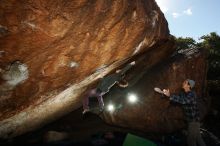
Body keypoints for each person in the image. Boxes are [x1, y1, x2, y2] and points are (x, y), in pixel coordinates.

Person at [162, 79, 206, 146]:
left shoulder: (192, 94)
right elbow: (176, 100)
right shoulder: (183, 94)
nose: (183, 83)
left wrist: (170, 96)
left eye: (185, 82)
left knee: (190, 141)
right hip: (192, 121)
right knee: (198, 138)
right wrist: (166, 95)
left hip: (194, 121)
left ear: (189, 86)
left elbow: (183, 101)